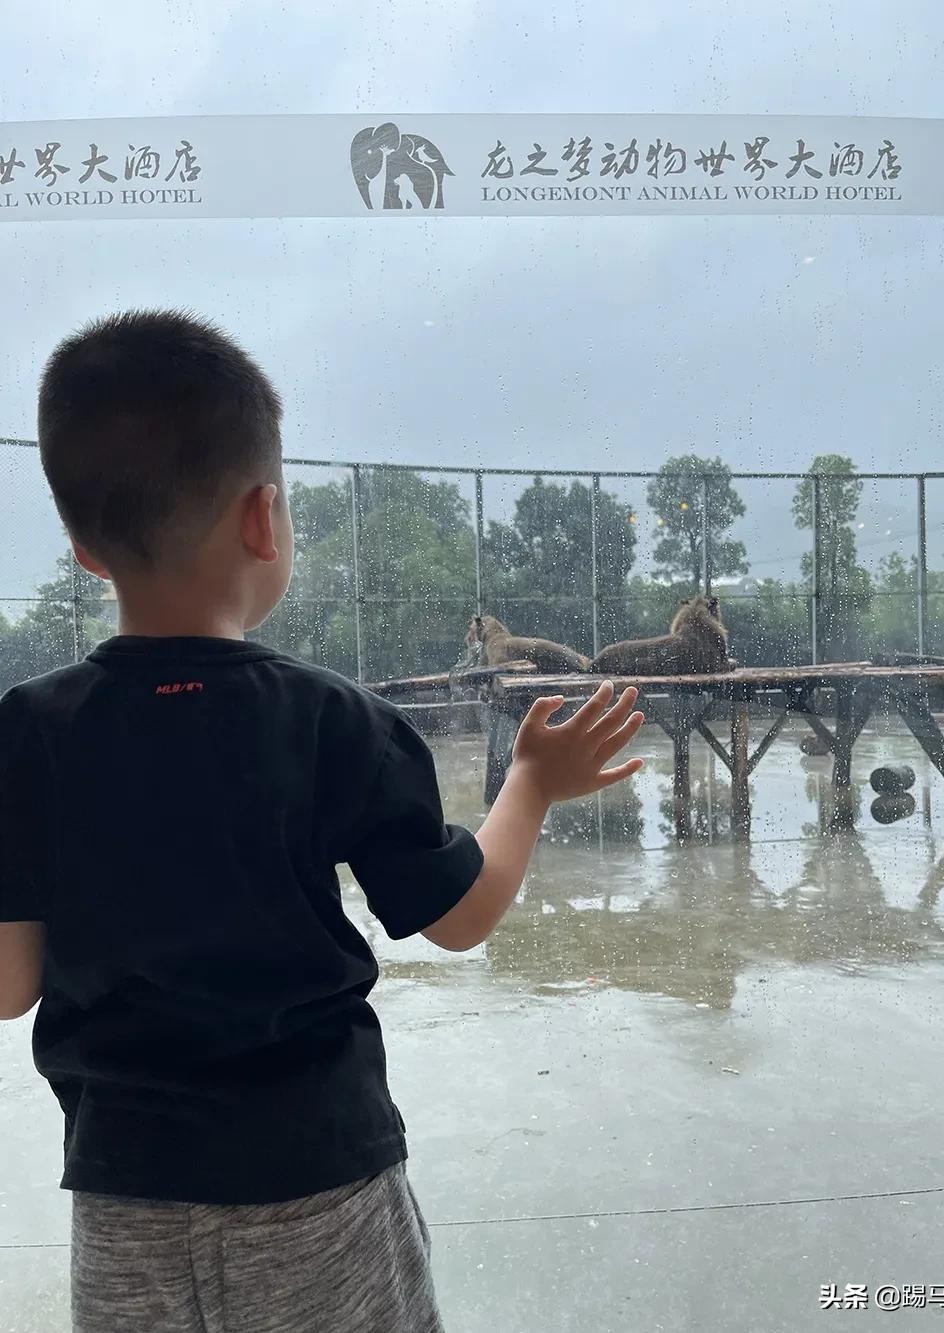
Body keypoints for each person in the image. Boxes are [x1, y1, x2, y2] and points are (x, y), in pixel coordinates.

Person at [0, 310, 644, 1333]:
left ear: (82, 548)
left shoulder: (27, 734)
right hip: (319, 1188)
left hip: (125, 1199)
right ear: (264, 519)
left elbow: (8, 984)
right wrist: (528, 781)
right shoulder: (334, 719)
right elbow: (457, 915)